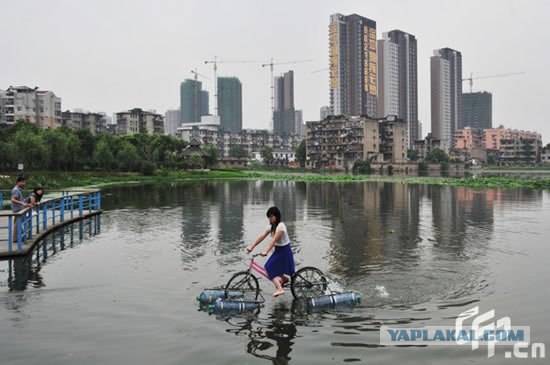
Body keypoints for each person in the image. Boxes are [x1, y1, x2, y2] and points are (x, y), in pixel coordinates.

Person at [247, 206, 295, 297]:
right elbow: (262, 236)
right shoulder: (271, 227)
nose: (269, 219)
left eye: (271, 217)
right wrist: (252, 246)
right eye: (269, 217)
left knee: (268, 268)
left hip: (284, 251)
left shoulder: (281, 226)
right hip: (278, 250)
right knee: (274, 267)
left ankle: (279, 288)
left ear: (276, 217)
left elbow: (274, 241)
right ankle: (284, 279)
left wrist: (266, 251)